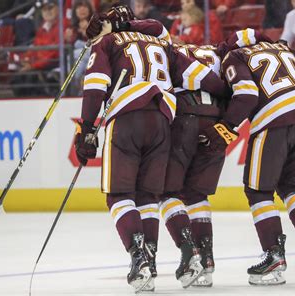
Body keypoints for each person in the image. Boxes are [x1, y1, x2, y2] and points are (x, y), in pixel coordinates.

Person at [77, 10, 229, 291]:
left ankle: (140, 261)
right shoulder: (162, 44)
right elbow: (203, 77)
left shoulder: (108, 42)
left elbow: (96, 85)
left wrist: (86, 127)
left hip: (127, 117)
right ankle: (174, 256)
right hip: (162, 120)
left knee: (119, 196)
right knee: (148, 196)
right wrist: (227, 96)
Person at [202, 32, 295, 285]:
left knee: (258, 192)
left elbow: (248, 94)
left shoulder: (235, 56)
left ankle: (274, 255)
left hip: (273, 121)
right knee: (292, 187)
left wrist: (226, 127)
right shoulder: (285, 50)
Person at [11, 0, 67, 96]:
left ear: (58, 8)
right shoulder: (42, 28)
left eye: (50, 8)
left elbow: (55, 53)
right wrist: (26, 60)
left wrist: (33, 65)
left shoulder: (63, 25)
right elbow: (35, 48)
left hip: (53, 63)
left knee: (30, 77)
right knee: (17, 78)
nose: (47, 12)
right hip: (40, 64)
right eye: (44, 9)